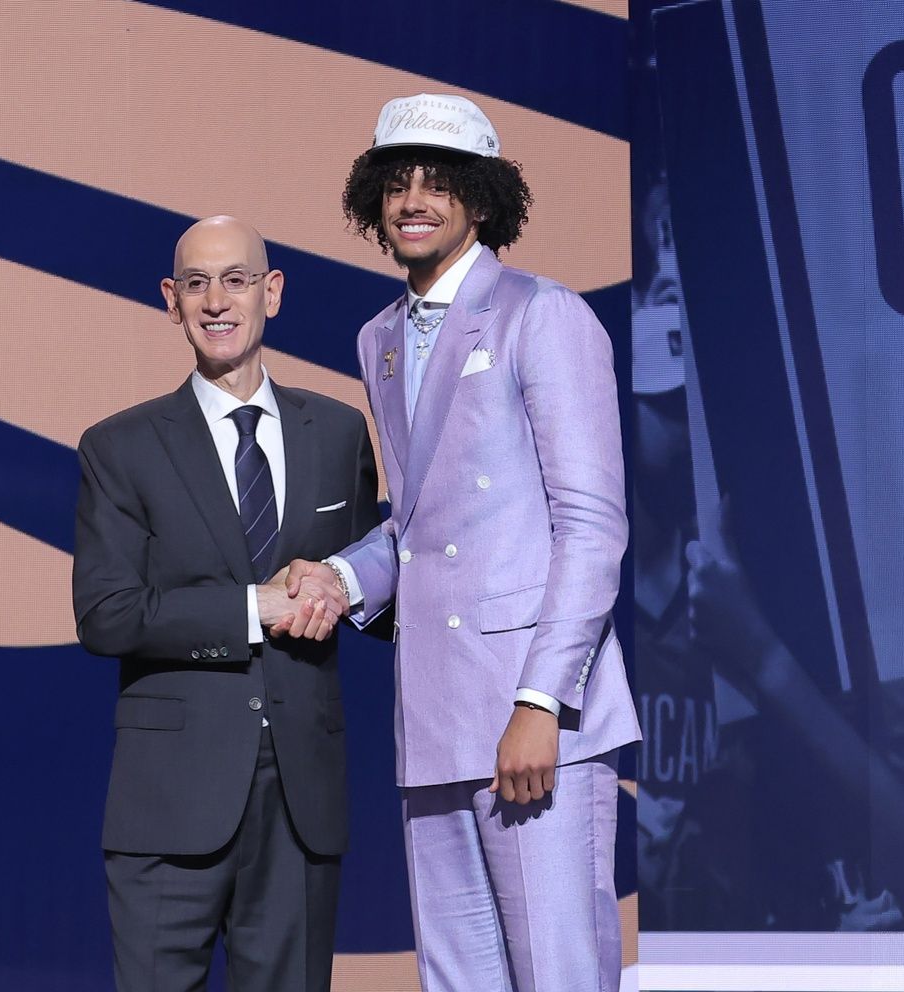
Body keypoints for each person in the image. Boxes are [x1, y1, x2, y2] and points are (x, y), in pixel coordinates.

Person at [284, 94, 641, 992]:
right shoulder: (379, 338)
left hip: (532, 715)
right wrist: (337, 578)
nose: (413, 201)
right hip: (435, 719)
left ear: (480, 200)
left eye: (438, 183)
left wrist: (540, 702)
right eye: (395, 183)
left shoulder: (542, 314)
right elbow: (418, 525)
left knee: (558, 975)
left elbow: (591, 527)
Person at [71, 216, 380, 992]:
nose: (217, 301)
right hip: (168, 799)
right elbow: (108, 614)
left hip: (301, 801)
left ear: (271, 292)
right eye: (196, 284)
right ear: (170, 300)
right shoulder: (120, 446)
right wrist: (254, 608)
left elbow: (371, 585)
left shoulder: (338, 433)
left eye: (236, 280)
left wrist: (345, 586)